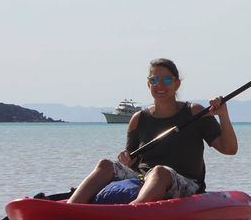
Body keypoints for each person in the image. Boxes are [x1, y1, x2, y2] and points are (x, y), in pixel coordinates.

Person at [67, 58, 238, 204]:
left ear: (177, 84)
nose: (160, 85)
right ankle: (70, 207)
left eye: (167, 80)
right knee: (105, 164)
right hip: (144, 180)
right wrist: (126, 160)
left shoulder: (194, 112)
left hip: (186, 183)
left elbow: (229, 149)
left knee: (159, 171)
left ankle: (132, 211)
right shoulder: (138, 118)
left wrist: (223, 114)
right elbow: (132, 162)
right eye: (155, 80)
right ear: (149, 84)